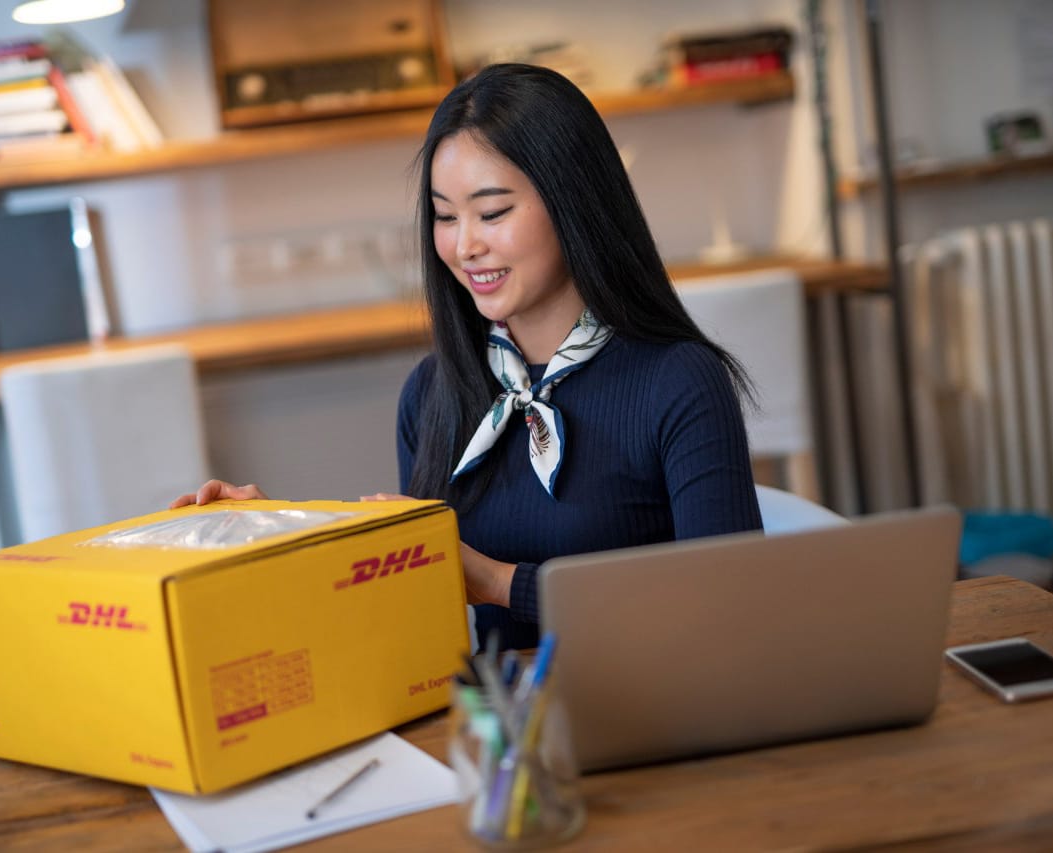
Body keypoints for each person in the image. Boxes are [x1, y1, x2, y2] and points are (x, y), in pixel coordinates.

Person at [173, 63, 762, 650]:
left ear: (573, 201)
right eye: (446, 216)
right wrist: (284, 535)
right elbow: (420, 618)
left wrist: (494, 581)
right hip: (497, 724)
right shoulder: (433, 391)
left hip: (653, 717)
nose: (464, 246)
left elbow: (731, 610)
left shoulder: (678, 382)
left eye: (493, 212)